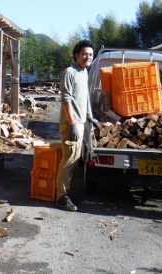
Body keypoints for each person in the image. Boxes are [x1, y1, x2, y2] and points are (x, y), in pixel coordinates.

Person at [55, 40, 100, 211]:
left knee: (74, 160)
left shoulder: (84, 72)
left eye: (90, 54)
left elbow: (85, 98)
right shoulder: (70, 72)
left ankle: (65, 193)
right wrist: (73, 124)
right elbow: (66, 100)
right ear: (77, 55)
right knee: (69, 159)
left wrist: (89, 117)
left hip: (81, 122)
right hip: (71, 123)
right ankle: (61, 196)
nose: (88, 57)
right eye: (85, 54)